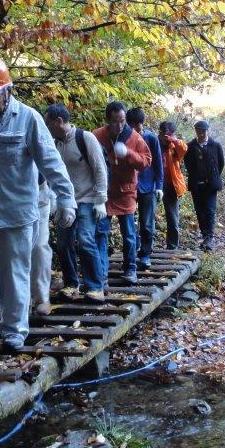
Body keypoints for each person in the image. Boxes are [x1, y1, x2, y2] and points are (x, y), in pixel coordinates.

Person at [0, 55, 76, 359]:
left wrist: (66, 199)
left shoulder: (28, 119)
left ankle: (13, 332)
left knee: (14, 275)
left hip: (17, 213)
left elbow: (51, 163)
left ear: (7, 91)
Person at [43, 103, 110, 302]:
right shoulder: (54, 144)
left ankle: (95, 286)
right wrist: (53, 199)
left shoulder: (85, 138)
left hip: (87, 199)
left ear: (59, 121)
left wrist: (101, 199)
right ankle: (71, 284)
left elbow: (100, 168)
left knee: (85, 239)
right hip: (65, 201)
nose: (47, 128)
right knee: (63, 243)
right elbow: (50, 173)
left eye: (48, 124)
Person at [93, 101, 152, 284]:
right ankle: (101, 273)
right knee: (100, 233)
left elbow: (146, 161)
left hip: (126, 192)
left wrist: (128, 153)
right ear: (107, 120)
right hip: (104, 193)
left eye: (122, 121)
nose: (119, 125)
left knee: (129, 235)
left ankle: (130, 269)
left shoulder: (134, 137)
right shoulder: (97, 135)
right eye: (115, 121)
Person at [126, 107, 163, 271]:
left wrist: (159, 186)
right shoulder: (124, 138)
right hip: (129, 186)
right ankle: (133, 251)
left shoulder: (151, 138)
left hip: (148, 186)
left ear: (142, 124)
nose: (136, 129)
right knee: (129, 222)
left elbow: (158, 164)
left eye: (138, 126)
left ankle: (145, 253)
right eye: (132, 126)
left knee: (147, 223)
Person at [183, 120, 224, 250]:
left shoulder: (215, 145)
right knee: (200, 212)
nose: (201, 134)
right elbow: (188, 165)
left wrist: (213, 176)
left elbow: (220, 163)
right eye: (198, 131)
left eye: (203, 132)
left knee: (210, 211)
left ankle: (209, 238)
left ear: (207, 131)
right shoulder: (190, 146)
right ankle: (205, 235)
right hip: (196, 184)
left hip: (210, 185)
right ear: (196, 131)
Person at [158, 121, 188, 250]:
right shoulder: (154, 144)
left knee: (172, 217)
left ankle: (173, 245)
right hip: (155, 184)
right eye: (163, 134)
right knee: (148, 215)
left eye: (169, 134)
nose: (165, 137)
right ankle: (147, 245)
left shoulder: (174, 147)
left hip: (171, 185)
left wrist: (174, 140)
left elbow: (184, 148)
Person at [30, 179, 56, 315]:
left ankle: (41, 298)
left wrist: (65, 199)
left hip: (39, 195)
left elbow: (54, 169)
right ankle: (19, 302)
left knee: (39, 247)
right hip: (7, 198)